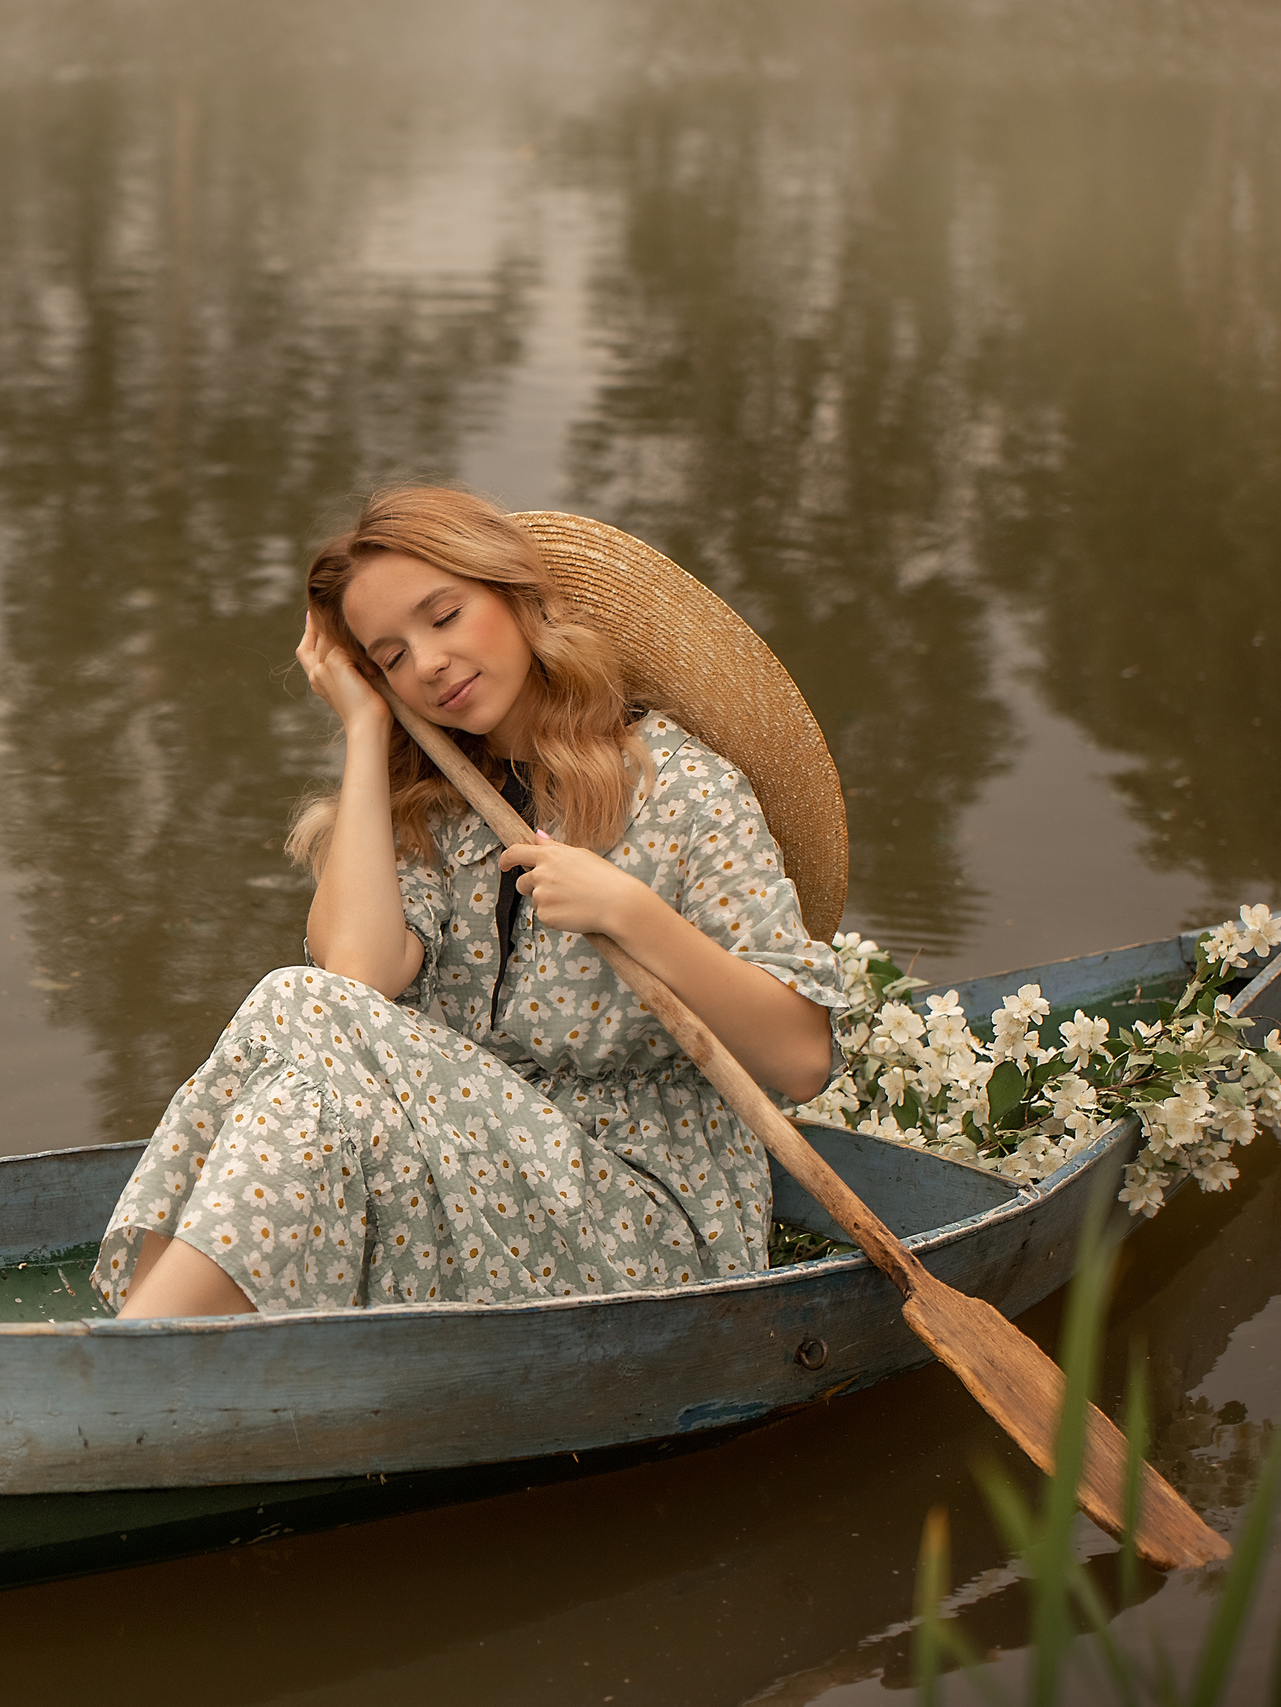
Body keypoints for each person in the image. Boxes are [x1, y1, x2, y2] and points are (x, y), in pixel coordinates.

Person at [97, 486, 851, 1319]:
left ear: (517, 597)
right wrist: (362, 729)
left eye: (445, 615)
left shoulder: (681, 789)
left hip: (648, 1231)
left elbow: (801, 1059)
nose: (428, 662)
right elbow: (358, 971)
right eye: (389, 657)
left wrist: (631, 912)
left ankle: (136, 1350)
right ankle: (146, 1349)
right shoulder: (442, 809)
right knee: (303, 1032)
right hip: (465, 1202)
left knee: (295, 1005)